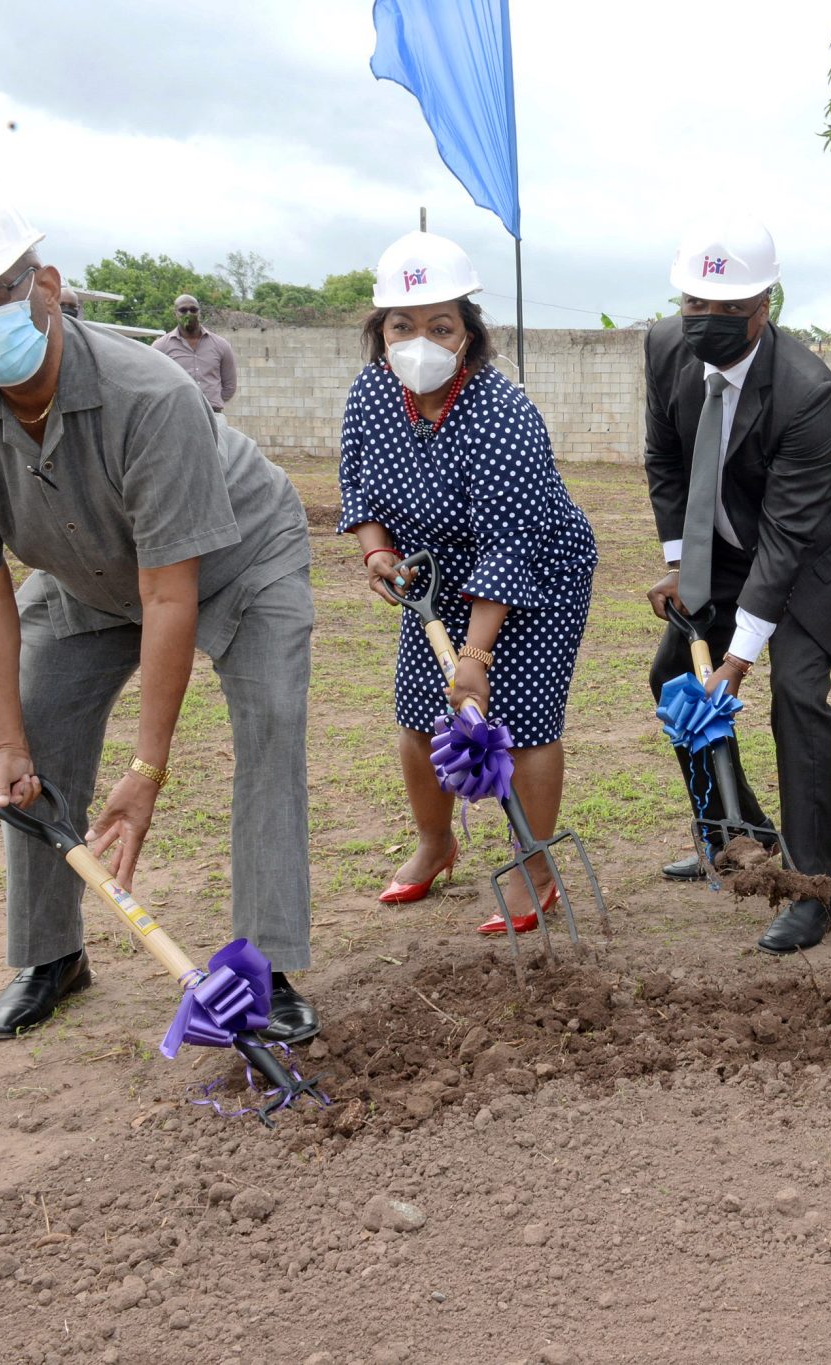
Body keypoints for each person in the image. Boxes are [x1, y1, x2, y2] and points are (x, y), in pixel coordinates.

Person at [0, 175, 319, 1043]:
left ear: (45, 286)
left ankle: (264, 964)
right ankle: (51, 955)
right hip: (87, 579)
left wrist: (149, 770)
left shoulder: (150, 394)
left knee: (268, 723)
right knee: (37, 741)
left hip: (236, 557)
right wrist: (6, 741)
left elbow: (170, 589)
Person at [643, 215, 831, 953]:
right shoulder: (664, 347)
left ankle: (814, 891)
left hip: (824, 549)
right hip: (730, 543)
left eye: (730, 310)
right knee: (672, 673)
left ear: (767, 307)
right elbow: (665, 458)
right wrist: (681, 567)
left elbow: (788, 539)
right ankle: (734, 835)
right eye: (698, 304)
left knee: (792, 687)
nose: (709, 321)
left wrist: (740, 654)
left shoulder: (807, 392)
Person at [339, 231, 598, 934]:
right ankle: (435, 841)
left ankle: (535, 863)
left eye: (440, 325)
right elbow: (356, 488)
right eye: (402, 325)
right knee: (419, 716)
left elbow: (510, 546)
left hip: (536, 570)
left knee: (522, 723)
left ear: (468, 334)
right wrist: (375, 555)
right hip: (433, 575)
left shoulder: (501, 414)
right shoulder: (370, 395)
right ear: (381, 331)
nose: (419, 339)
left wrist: (477, 658)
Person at [152, 293, 238, 412]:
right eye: (183, 310)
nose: (189, 314)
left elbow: (229, 386)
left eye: (193, 310)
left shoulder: (221, 345)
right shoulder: (161, 346)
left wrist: (211, 403)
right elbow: (154, 382)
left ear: (199, 313)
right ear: (175, 314)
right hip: (177, 412)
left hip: (212, 414)